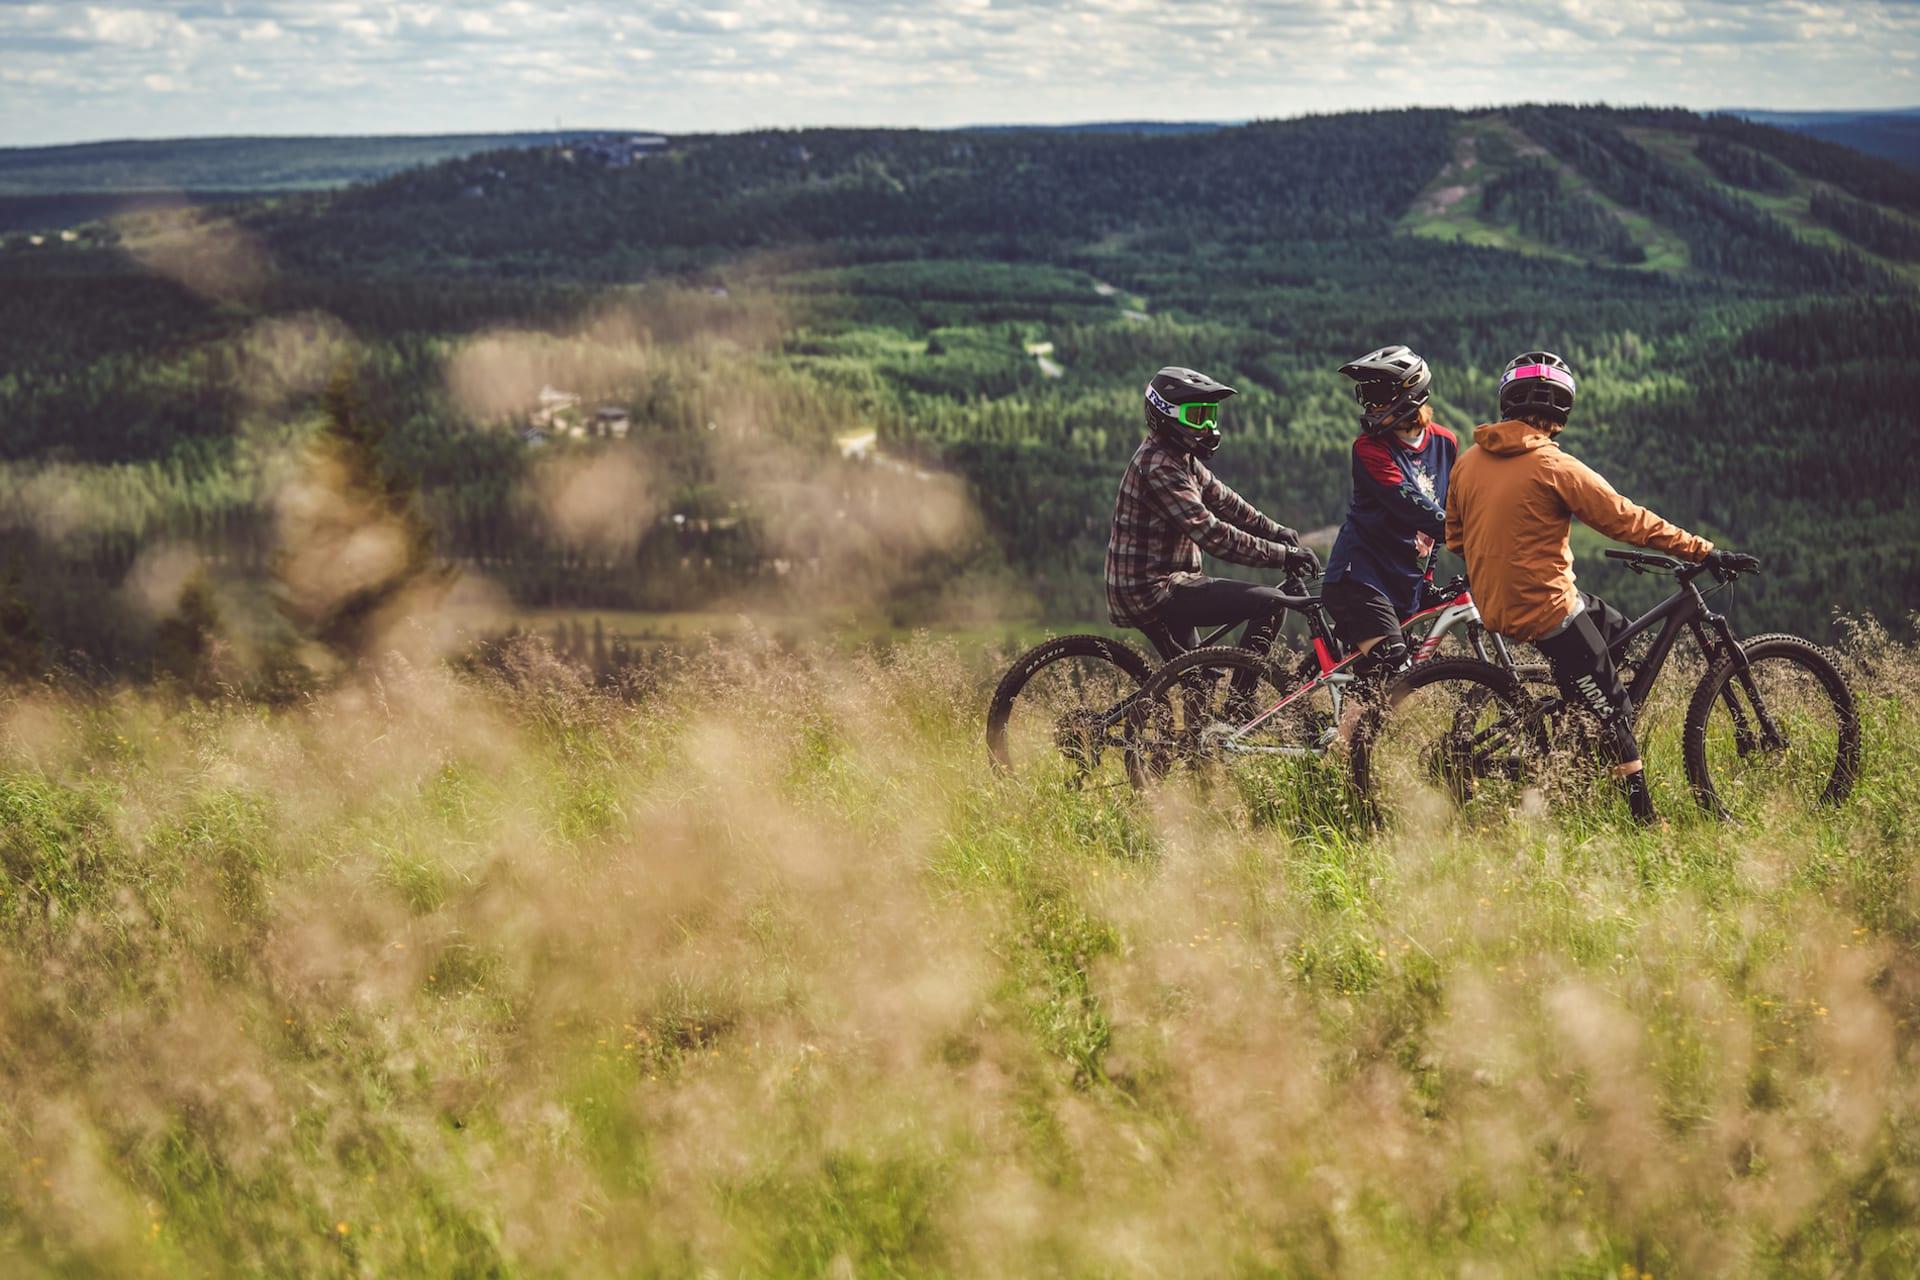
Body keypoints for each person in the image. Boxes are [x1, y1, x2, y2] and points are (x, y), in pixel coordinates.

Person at [1445, 350, 1754, 824]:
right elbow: (1626, 520)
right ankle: (1644, 820)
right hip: (1547, 609)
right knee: (1616, 711)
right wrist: (1702, 550)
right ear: (1560, 410)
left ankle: (1578, 713)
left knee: (1615, 630)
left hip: (1494, 603)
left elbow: (1455, 539)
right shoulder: (1555, 466)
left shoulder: (1467, 462)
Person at [1105, 366, 1319, 662]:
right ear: (1165, 415)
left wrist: (1274, 530)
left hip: (1166, 582)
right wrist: (1283, 555)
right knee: (1270, 603)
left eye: (1211, 415)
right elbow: (1213, 534)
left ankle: (1202, 704)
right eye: (1196, 416)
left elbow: (1225, 500)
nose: (1207, 425)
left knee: (1200, 675)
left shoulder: (1178, 457)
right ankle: (1241, 705)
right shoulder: (1160, 466)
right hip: (1154, 589)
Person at [1322, 345, 1459, 696]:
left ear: (1410, 392)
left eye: (1378, 395)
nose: (1370, 407)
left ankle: (1344, 748)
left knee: (1371, 690)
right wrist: (1471, 537)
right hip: (1360, 579)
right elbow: (1409, 503)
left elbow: (1440, 512)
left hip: (1402, 583)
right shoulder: (1368, 448)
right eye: (1365, 396)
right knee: (1396, 673)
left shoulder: (1445, 444)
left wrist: (1427, 577)